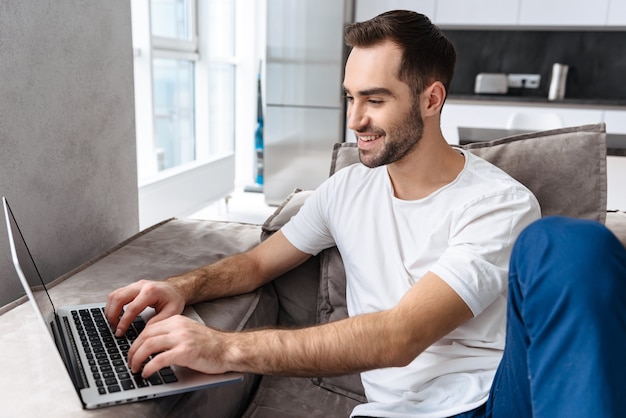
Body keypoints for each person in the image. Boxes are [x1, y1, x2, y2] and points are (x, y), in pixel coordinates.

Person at [106, 10, 626, 417]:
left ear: (431, 99)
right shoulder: (345, 189)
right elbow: (259, 264)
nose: (356, 119)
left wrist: (225, 349)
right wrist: (181, 287)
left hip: (496, 402)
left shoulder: (500, 203)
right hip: (392, 413)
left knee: (570, 244)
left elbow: (401, 336)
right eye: (351, 97)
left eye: (374, 99)